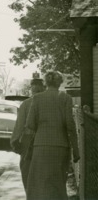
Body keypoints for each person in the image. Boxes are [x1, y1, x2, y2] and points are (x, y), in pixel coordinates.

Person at [26, 71, 80, 200]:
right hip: (60, 146)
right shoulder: (66, 98)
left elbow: (30, 124)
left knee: (39, 182)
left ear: (46, 82)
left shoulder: (37, 98)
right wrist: (76, 150)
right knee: (58, 183)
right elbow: (70, 126)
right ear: (60, 82)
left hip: (41, 146)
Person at [10, 78, 45, 190]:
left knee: (26, 170)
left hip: (28, 139)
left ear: (31, 89)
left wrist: (14, 141)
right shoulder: (48, 103)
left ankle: (30, 195)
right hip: (45, 140)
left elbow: (19, 125)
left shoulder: (26, 104)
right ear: (43, 88)